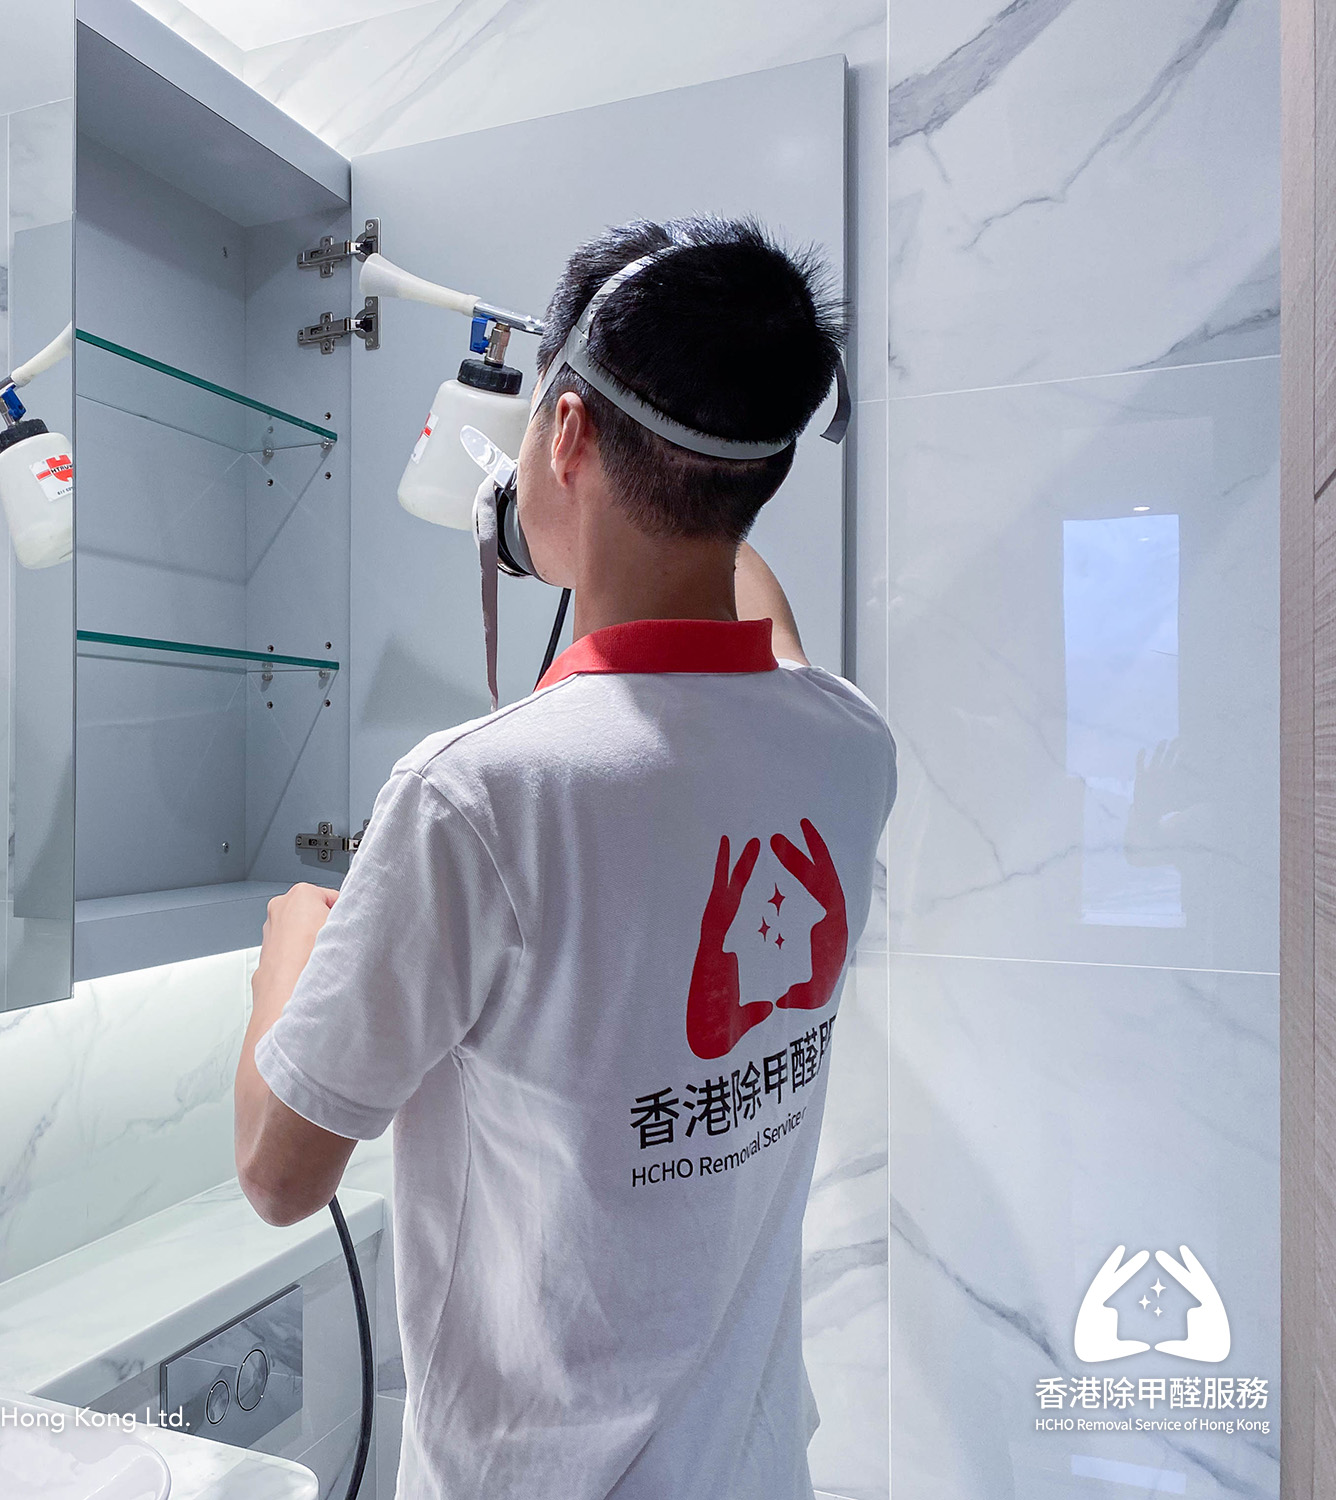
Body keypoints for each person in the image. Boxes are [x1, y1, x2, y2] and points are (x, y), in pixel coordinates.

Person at [233, 218, 896, 1498]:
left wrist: (290, 959)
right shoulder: (845, 746)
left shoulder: (476, 796)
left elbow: (278, 1174)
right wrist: (654, 471)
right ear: (761, 467)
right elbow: (748, 624)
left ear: (570, 434)